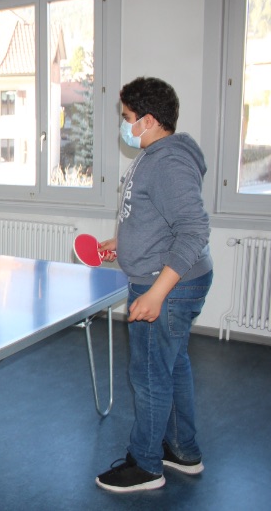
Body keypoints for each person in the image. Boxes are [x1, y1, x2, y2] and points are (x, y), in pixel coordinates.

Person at [95, 77, 213, 493]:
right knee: (172, 365)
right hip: (172, 280)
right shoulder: (156, 154)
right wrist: (123, 241)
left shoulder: (168, 162)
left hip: (167, 286)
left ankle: (146, 465)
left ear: (148, 121)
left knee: (148, 377)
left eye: (127, 117)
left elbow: (194, 229)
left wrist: (157, 293)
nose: (123, 125)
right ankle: (182, 450)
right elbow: (156, 217)